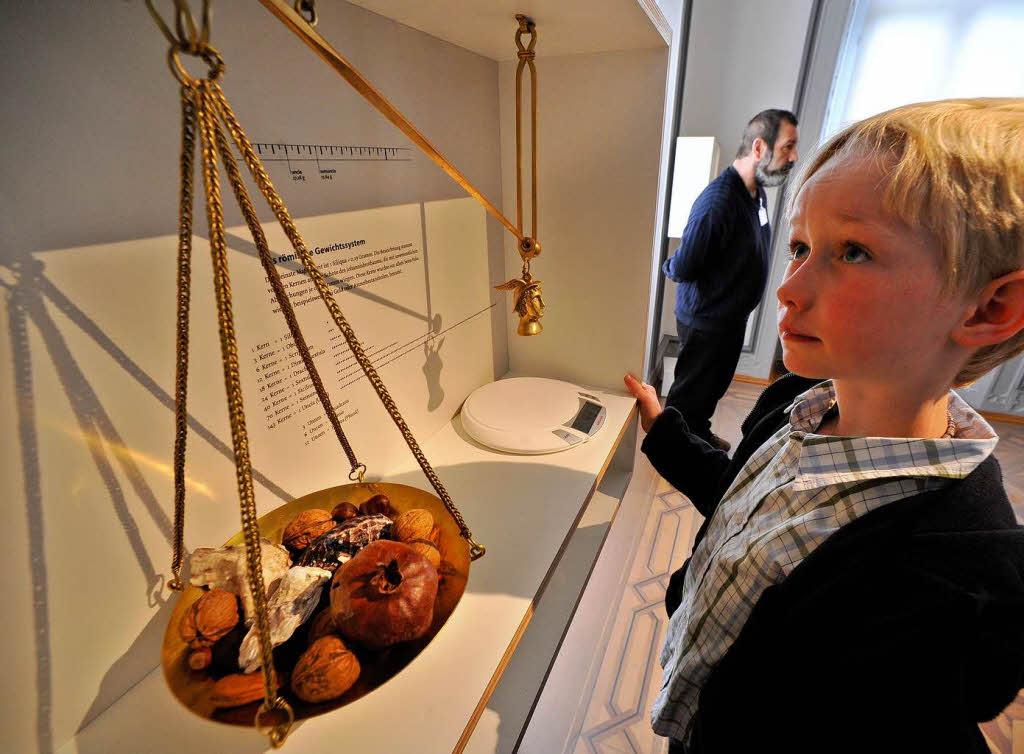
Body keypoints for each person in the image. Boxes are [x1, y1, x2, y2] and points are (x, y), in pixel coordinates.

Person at [625, 98, 1024, 753]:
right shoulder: (796, 402)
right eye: (801, 247)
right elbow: (745, 499)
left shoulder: (959, 566)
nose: (789, 287)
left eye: (855, 251)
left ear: (989, 307)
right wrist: (668, 433)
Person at [663, 109, 799, 452]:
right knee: (690, 391)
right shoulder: (718, 203)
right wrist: (667, 266)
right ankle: (672, 450)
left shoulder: (755, 196)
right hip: (707, 320)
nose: (793, 157)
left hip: (730, 318)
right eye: (788, 147)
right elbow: (685, 264)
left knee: (711, 388)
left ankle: (697, 432)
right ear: (758, 147)